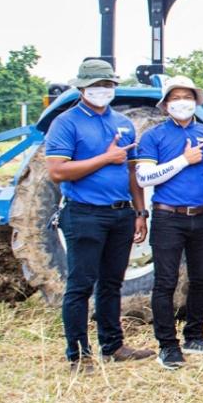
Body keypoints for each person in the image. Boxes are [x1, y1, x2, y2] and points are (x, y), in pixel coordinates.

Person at [44, 59, 153, 370]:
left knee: (111, 283)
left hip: (120, 215)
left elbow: (131, 171)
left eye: (107, 84)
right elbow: (57, 170)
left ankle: (113, 345)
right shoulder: (67, 123)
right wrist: (106, 157)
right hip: (84, 214)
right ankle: (78, 354)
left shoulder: (122, 122)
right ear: (81, 88)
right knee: (80, 284)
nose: (102, 90)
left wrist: (140, 211)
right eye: (95, 85)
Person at [134, 75, 203, 370]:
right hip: (168, 217)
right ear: (165, 105)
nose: (182, 102)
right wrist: (183, 160)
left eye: (187, 97)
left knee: (201, 278)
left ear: (196, 102)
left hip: (202, 216)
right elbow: (144, 177)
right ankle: (167, 345)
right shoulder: (154, 136)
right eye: (175, 98)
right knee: (165, 281)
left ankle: (195, 335)